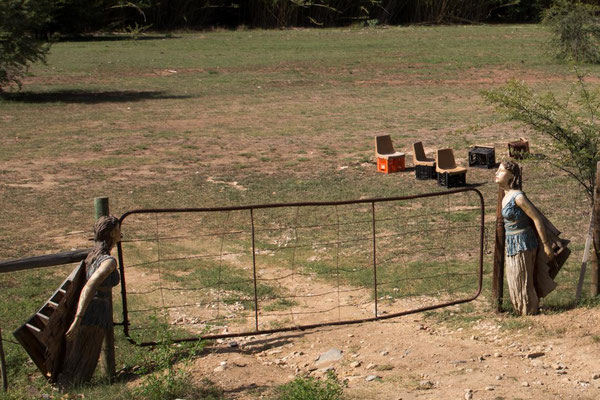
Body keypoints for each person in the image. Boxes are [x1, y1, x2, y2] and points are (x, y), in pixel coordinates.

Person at [58, 215, 121, 387]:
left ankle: (67, 385)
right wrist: (78, 319)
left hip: (88, 308)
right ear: (112, 233)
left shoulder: (92, 256)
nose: (121, 233)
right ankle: (72, 389)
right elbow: (90, 285)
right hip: (95, 312)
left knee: (77, 353)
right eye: (118, 230)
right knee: (86, 355)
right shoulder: (108, 262)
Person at [495, 161, 559, 315]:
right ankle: (521, 311)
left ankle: (529, 311)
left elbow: (537, 218)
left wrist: (546, 244)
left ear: (511, 175)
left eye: (501, 170)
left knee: (522, 278)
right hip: (511, 242)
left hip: (523, 241)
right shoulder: (504, 195)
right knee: (514, 279)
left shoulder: (518, 197)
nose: (496, 173)